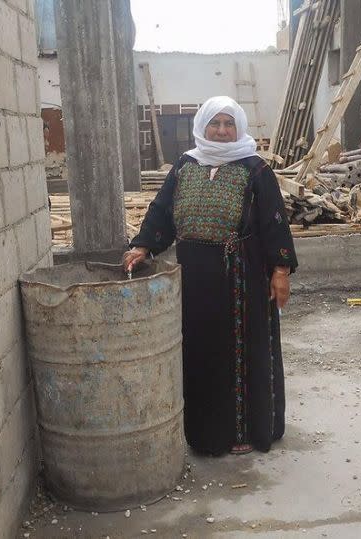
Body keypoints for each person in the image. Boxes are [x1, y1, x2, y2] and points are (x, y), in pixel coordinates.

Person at [123, 96, 298, 456]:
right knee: (200, 352)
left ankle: (246, 431)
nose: (221, 131)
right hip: (195, 281)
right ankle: (205, 434)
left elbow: (274, 222)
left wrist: (280, 270)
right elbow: (162, 211)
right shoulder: (186, 165)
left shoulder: (255, 169)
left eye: (228, 124)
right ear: (202, 126)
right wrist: (144, 246)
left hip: (242, 281)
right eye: (214, 124)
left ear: (239, 128)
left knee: (242, 352)